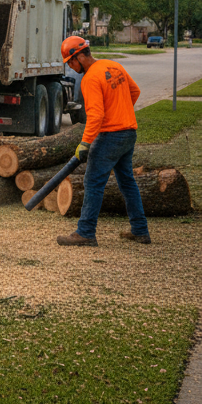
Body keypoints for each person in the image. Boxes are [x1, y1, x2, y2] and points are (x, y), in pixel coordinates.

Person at [56, 35, 150, 247]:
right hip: (128, 133)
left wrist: (85, 142)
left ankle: (86, 232)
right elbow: (135, 91)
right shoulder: (114, 66)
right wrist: (120, 111)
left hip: (111, 136)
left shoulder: (90, 78)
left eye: (70, 61)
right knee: (127, 182)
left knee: (93, 182)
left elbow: (96, 116)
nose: (71, 66)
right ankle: (140, 231)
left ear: (79, 56)